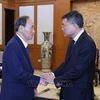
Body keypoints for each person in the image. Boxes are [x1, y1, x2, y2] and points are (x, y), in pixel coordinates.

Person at [40, 10, 96, 100]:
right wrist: (52, 74)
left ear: (74, 26)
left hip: (79, 93)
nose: (62, 28)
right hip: (69, 90)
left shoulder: (87, 43)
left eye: (63, 25)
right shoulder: (72, 41)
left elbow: (78, 70)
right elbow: (67, 64)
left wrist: (55, 80)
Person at [1, 16, 46, 100]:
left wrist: (32, 86)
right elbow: (19, 74)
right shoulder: (13, 46)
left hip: (23, 92)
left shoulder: (20, 44)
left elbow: (26, 70)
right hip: (15, 95)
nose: (34, 31)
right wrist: (39, 80)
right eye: (32, 27)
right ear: (21, 28)